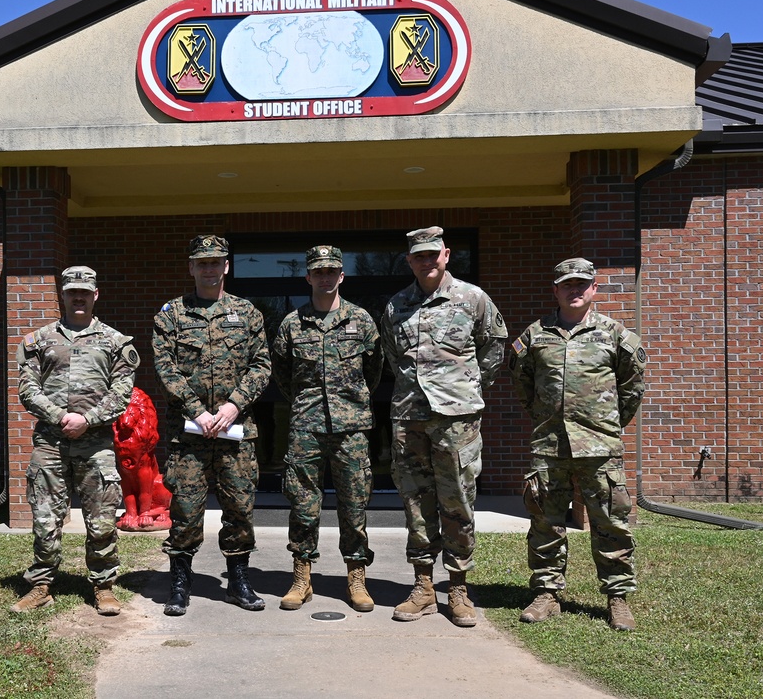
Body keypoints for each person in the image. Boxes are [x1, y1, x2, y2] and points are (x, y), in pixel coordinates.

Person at [509, 257, 646, 631]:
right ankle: (547, 595)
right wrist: (545, 419)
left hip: (599, 446)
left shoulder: (616, 335)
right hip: (549, 445)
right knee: (544, 522)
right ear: (555, 289)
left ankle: (617, 598)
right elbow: (524, 386)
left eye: (582, 284)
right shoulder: (536, 336)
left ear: (594, 289)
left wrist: (607, 425)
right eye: (567, 284)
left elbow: (631, 388)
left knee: (610, 524)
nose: (575, 289)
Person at [381, 226, 507, 626]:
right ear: (409, 260)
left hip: (457, 422)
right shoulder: (396, 305)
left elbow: (495, 346)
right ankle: (422, 588)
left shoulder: (472, 298)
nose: (426, 260)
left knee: (458, 504)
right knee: (416, 505)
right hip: (409, 420)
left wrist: (468, 390)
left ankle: (457, 588)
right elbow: (390, 355)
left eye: (433, 253)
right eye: (418, 255)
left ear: (446, 254)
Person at [11, 265, 141, 616]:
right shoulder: (39, 340)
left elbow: (122, 392)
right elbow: (27, 389)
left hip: (96, 444)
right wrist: (59, 417)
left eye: (85, 291)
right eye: (72, 292)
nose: (79, 297)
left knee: (101, 519)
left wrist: (87, 420)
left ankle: (103, 586)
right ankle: (41, 586)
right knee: (45, 518)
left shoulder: (115, 342)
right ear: (63, 295)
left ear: (96, 294)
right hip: (50, 444)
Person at [153, 234, 272, 616]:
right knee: (186, 511)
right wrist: (195, 410)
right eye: (201, 262)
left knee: (239, 508)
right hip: (189, 435)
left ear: (226, 266)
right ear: (191, 267)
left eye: (215, 262)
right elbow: (164, 367)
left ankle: (238, 580)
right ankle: (180, 583)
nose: (209, 268)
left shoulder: (247, 312)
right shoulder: (171, 314)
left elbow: (262, 365)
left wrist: (235, 405)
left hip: (235, 433)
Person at [271, 245, 384, 612]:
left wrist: (350, 405)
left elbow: (374, 371)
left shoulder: (362, 321)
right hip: (306, 425)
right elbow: (283, 376)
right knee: (303, 506)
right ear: (308, 277)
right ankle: (302, 577)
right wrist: (307, 405)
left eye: (331, 271)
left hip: (351, 428)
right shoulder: (291, 324)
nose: (324, 277)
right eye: (317, 272)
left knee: (354, 506)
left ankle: (356, 577)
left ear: (341, 276)